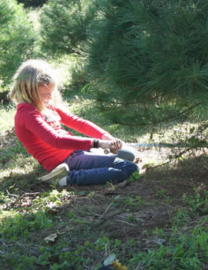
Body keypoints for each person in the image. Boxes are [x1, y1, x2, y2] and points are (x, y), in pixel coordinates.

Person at [9, 60, 139, 186]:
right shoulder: (27, 115)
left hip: (75, 152)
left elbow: (77, 122)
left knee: (127, 155)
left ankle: (77, 170)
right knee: (129, 168)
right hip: (63, 160)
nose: (49, 97)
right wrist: (98, 144)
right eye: (45, 94)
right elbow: (56, 140)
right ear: (27, 90)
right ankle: (64, 178)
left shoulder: (45, 104)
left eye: (51, 92)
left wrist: (107, 137)